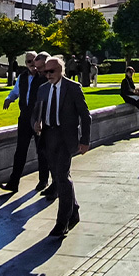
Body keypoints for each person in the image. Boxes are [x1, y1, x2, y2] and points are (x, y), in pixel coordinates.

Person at [32, 55, 91, 238]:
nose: (48, 75)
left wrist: (85, 141)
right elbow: (35, 114)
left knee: (62, 178)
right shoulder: (42, 90)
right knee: (58, 176)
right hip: (48, 137)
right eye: (45, 72)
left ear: (61, 71)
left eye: (52, 71)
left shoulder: (72, 88)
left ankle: (62, 223)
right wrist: (36, 123)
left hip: (66, 138)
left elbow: (85, 116)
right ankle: (73, 210)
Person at [0, 52, 51, 193]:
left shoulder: (44, 78)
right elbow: (16, 91)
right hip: (24, 117)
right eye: (29, 61)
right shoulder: (22, 77)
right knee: (20, 151)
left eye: (34, 61)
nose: (32, 64)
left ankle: (43, 180)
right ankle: (13, 182)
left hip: (39, 117)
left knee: (41, 150)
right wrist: (9, 98)